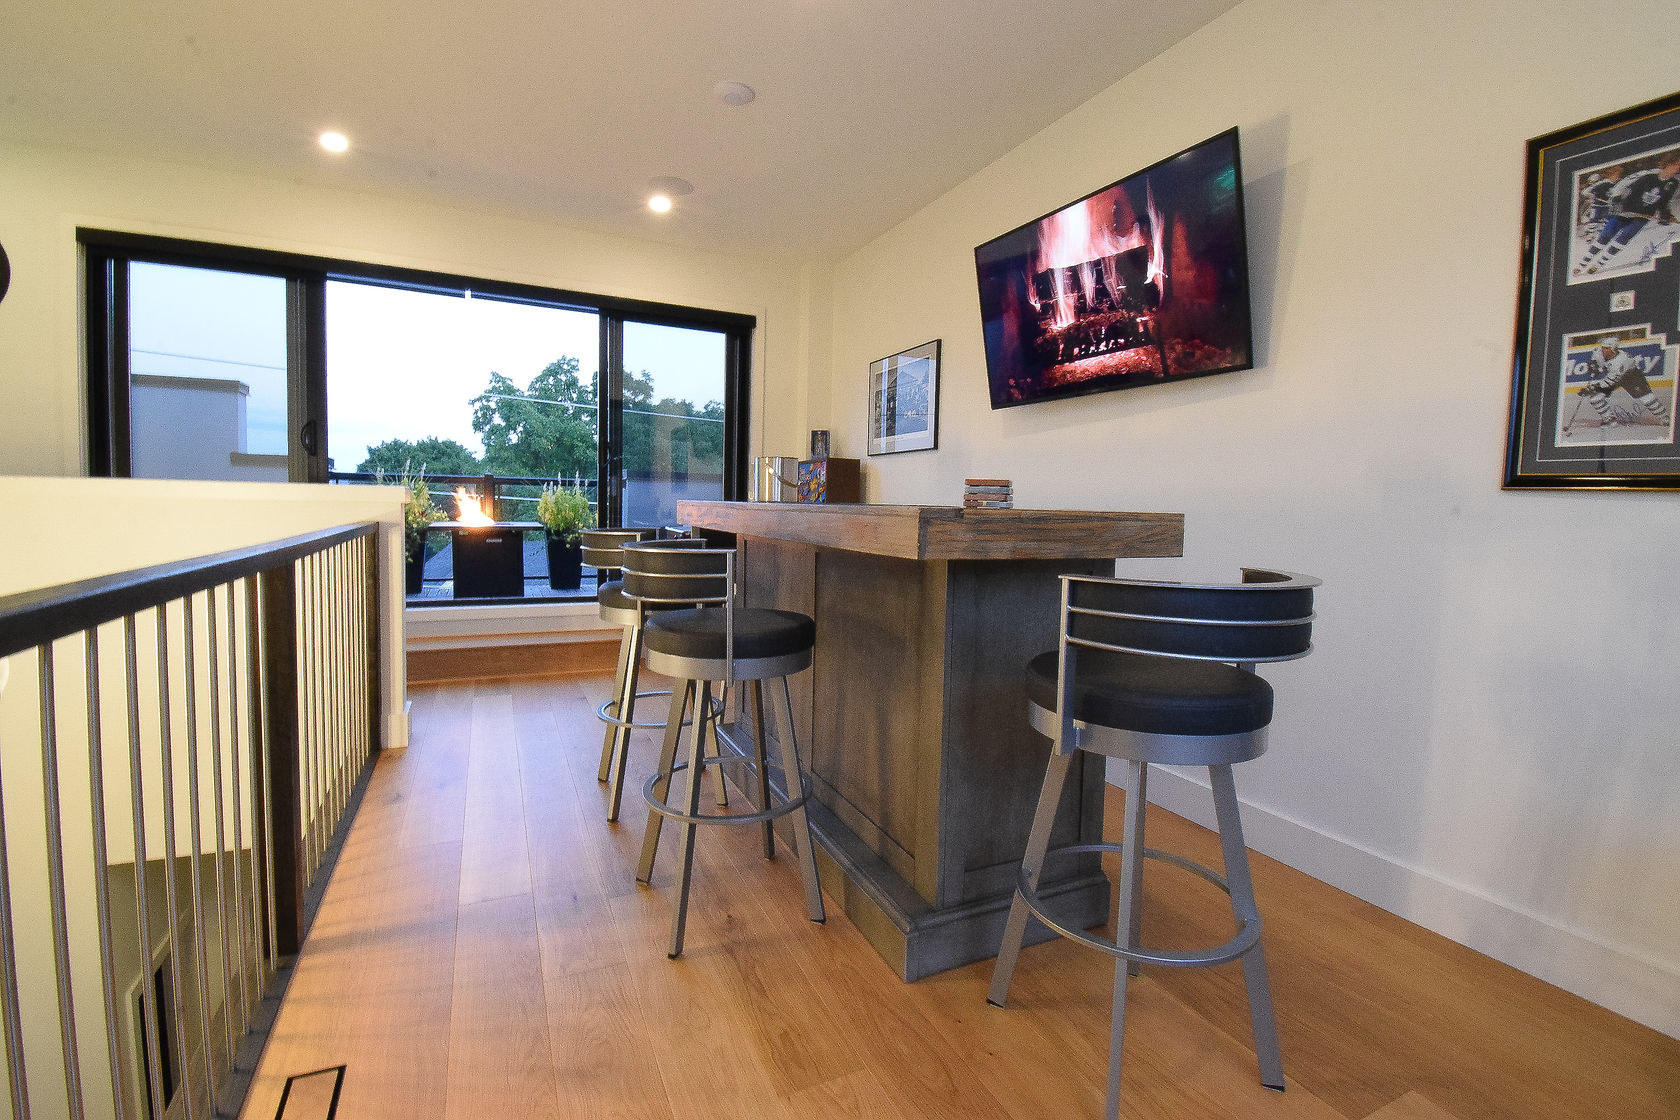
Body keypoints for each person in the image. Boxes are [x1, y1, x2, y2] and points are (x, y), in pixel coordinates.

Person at [1572, 155, 1680, 276]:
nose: (1678, 167)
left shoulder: (1674, 183)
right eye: (1677, 164)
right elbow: (1622, 183)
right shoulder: (1647, 174)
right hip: (1625, 210)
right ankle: (1582, 264)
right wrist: (1616, 199)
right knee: (1605, 236)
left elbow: (1665, 202)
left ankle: (1599, 264)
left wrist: (1665, 214)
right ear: (1668, 163)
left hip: (1643, 216)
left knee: (1623, 239)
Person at [1578, 336, 1671, 430]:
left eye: (1606, 348)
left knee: (1647, 398)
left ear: (1613, 349)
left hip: (1631, 377)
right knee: (1595, 398)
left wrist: (1593, 388)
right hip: (1612, 376)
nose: (1603, 350)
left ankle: (1664, 418)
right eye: (1603, 347)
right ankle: (1610, 420)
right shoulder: (1597, 351)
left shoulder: (1622, 361)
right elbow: (1595, 361)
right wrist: (1593, 365)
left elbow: (1609, 382)